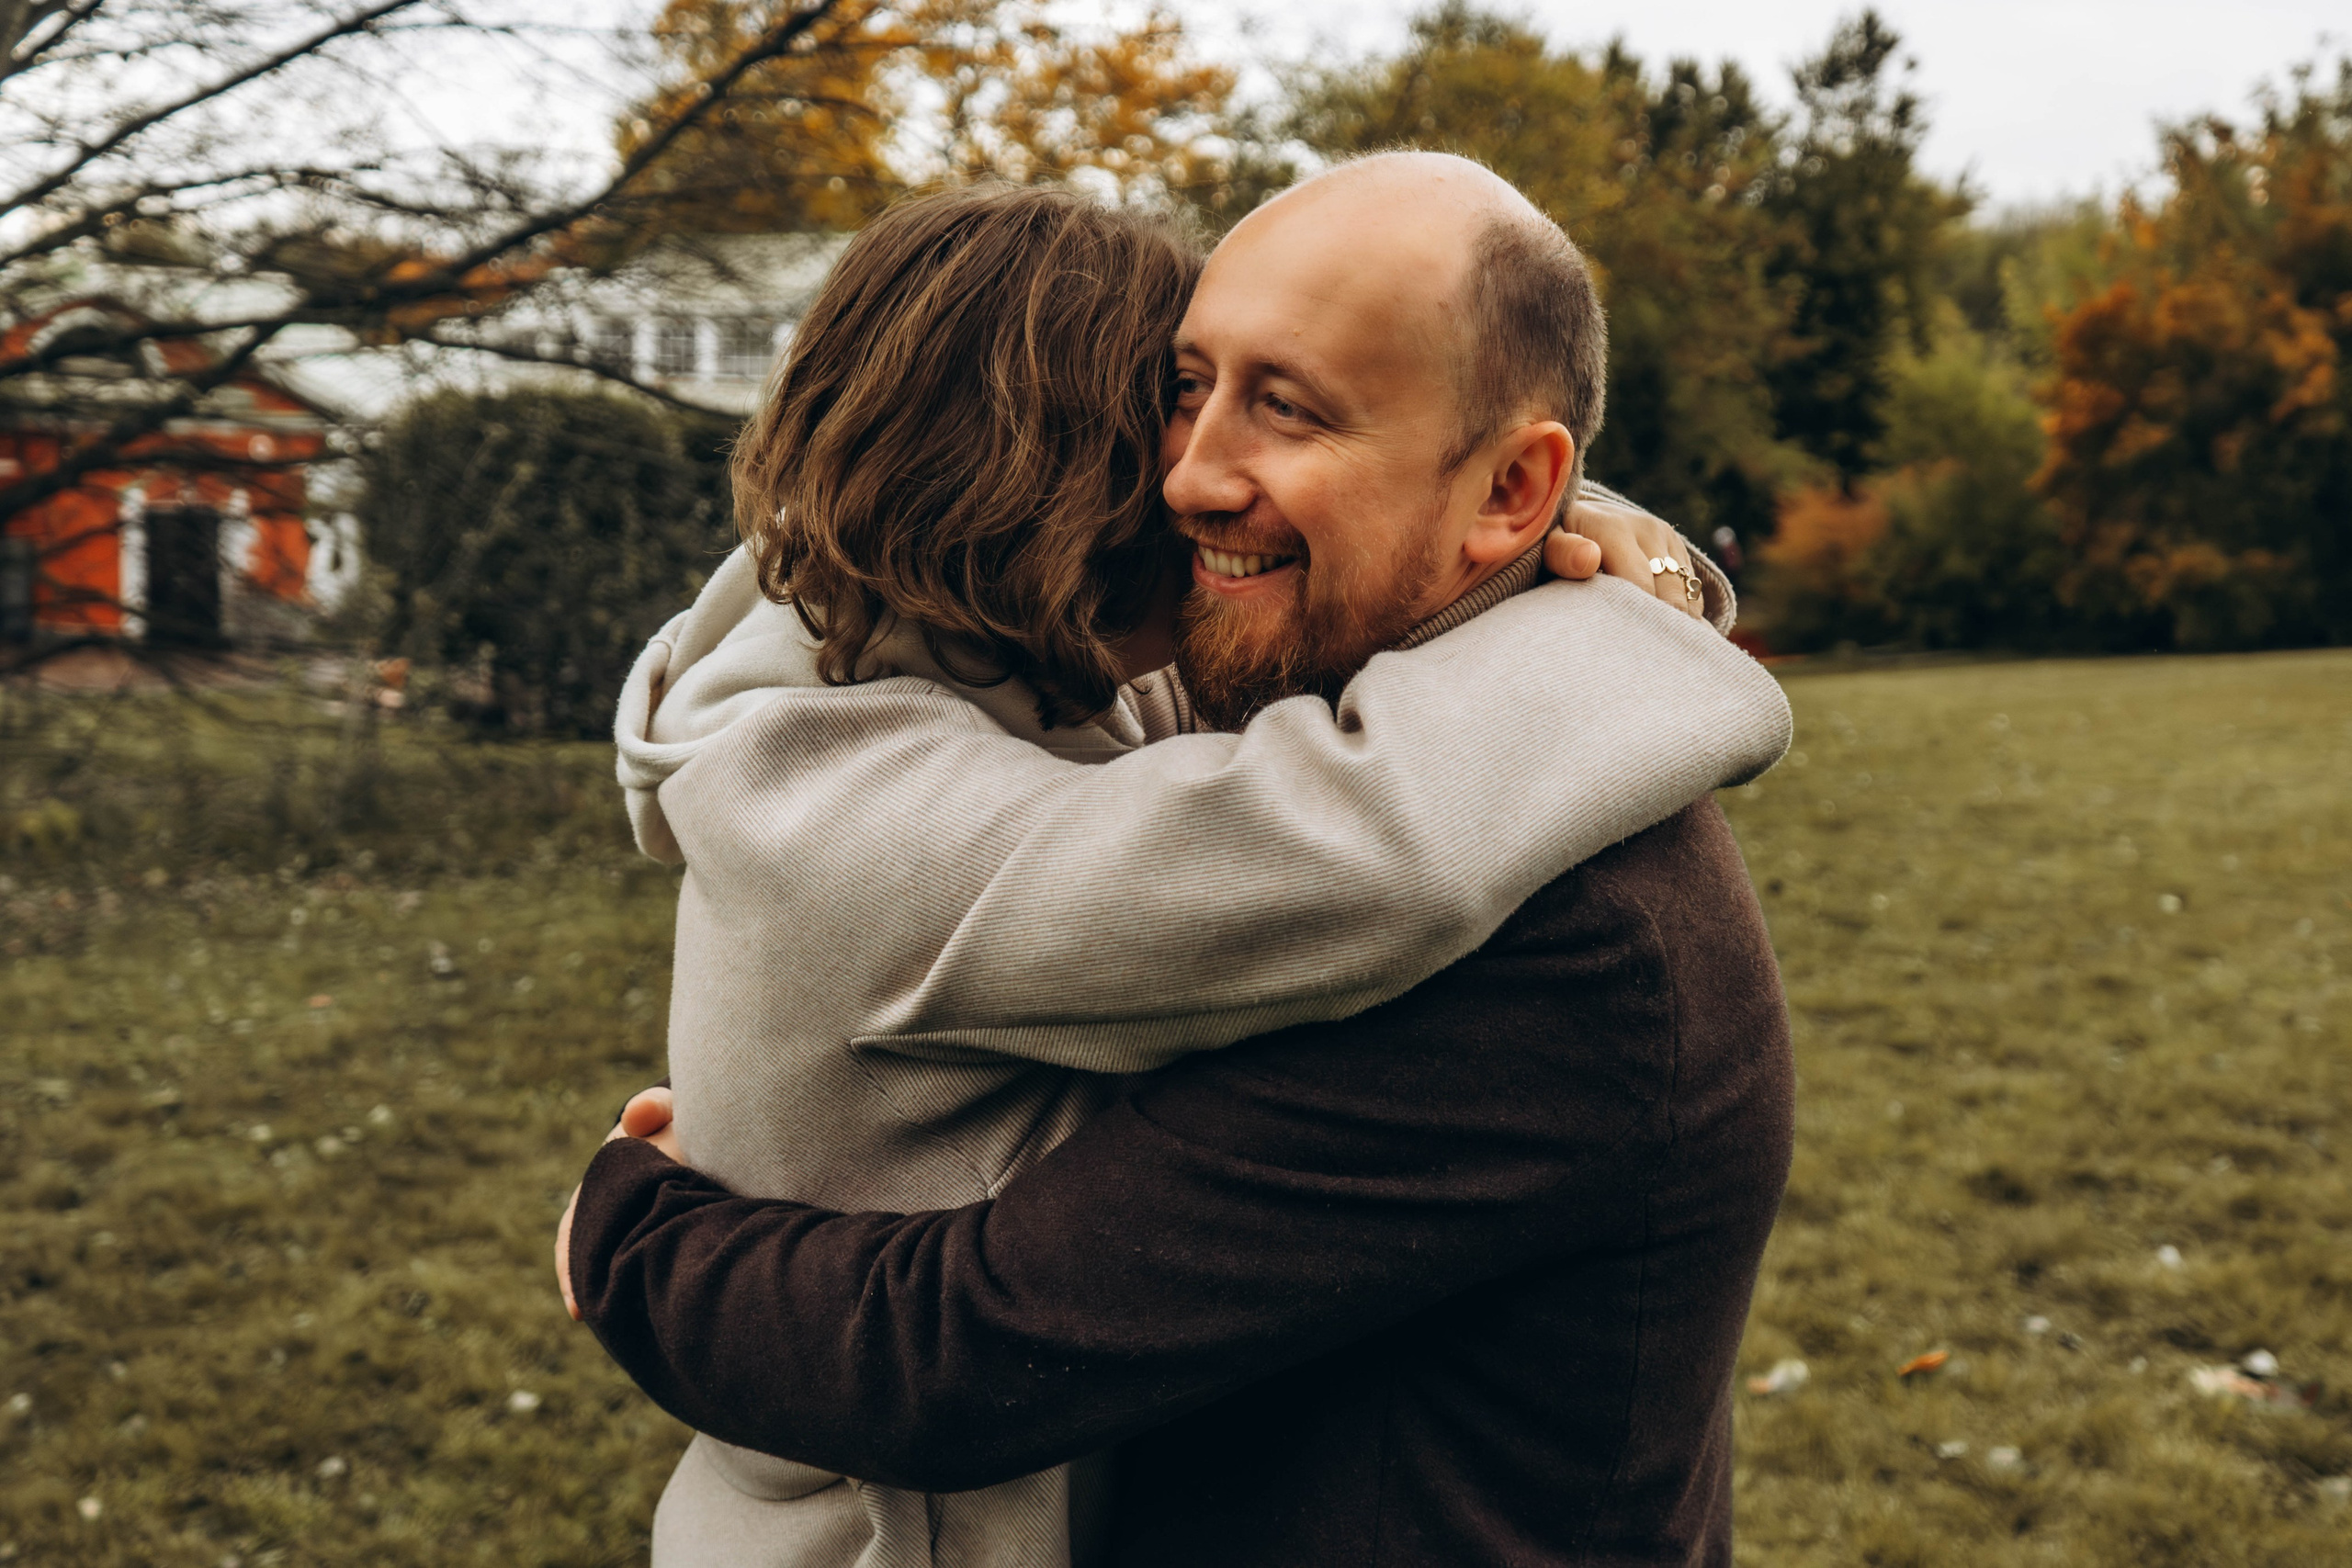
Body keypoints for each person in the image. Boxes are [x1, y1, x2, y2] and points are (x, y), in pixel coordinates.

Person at [567, 162, 1791, 1568]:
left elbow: (951, 1346)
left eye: (1282, 405)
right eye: (1179, 395)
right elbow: (1343, 805)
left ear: (1516, 486)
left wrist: (630, 1239)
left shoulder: (1558, 930)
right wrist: (1635, 624)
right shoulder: (894, 797)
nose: (1193, 478)